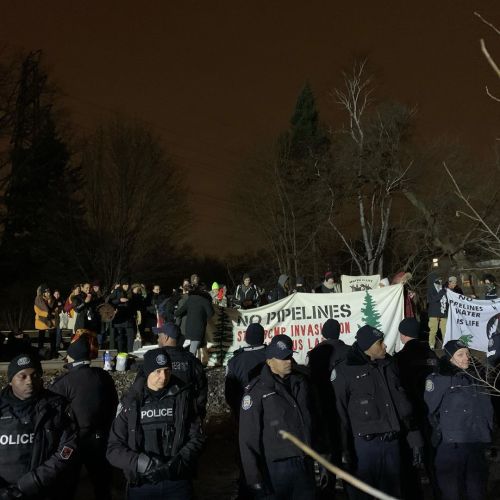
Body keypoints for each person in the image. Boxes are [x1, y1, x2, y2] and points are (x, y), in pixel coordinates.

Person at [332, 325, 423, 499]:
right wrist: (343, 451)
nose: (385, 346)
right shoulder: (344, 371)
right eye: (380, 342)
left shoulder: (390, 365)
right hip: (364, 449)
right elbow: (339, 415)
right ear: (367, 346)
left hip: (392, 444)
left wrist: (414, 438)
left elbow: (404, 405)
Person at [107, 348, 205, 499]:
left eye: (167, 370)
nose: (163, 376)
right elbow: (113, 449)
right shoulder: (130, 402)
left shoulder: (183, 397)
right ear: (147, 372)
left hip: (177, 482)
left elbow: (197, 438)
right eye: (157, 371)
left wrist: (174, 466)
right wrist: (142, 464)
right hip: (142, 483)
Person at [239, 334, 316, 499]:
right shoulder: (257, 391)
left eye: (289, 356)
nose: (288, 361)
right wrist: (254, 478)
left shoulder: (301, 383)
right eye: (283, 358)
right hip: (275, 469)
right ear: (269, 361)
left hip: (304, 463)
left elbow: (313, 420)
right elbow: (248, 439)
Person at [0, 353, 78, 499]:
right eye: (22, 376)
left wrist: (34, 481)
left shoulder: (57, 406)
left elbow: (68, 448)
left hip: (44, 490)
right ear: (10, 380)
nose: (29, 381)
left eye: (34, 375)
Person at [50, 336, 118, 500]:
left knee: (68, 485)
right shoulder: (102, 376)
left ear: (71, 357)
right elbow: (114, 403)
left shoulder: (64, 382)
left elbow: (52, 411)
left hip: (74, 440)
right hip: (99, 438)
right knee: (101, 484)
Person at [425, 340, 493, 500]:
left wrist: (487, 432)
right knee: (453, 492)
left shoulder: (476, 378)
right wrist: (444, 431)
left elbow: (486, 408)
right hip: (452, 446)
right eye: (460, 355)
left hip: (476, 443)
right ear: (449, 358)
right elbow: (430, 409)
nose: (466, 358)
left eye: (467, 354)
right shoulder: (440, 379)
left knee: (477, 491)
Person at [394, 318, 438, 500]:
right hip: (433, 413)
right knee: (433, 458)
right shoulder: (432, 356)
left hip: (411, 414)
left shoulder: (400, 358)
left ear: (403, 335)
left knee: (409, 462)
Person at [306, 319, 349, 499]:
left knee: (327, 451)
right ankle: (351, 488)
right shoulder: (348, 351)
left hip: (323, 407)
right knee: (347, 449)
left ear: (323, 333)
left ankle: (327, 488)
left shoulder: (315, 353)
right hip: (347, 407)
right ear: (339, 333)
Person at [131, 323, 208, 419]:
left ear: (166, 337)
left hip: (157, 415)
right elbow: (202, 390)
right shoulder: (192, 360)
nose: (157, 339)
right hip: (186, 416)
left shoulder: (153, 360)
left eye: (159, 336)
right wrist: (198, 415)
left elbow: (138, 388)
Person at [225, 323, 267, 415]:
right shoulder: (273, 356)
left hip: (243, 411)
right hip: (271, 411)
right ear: (263, 337)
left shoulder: (234, 361)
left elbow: (229, 394)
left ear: (245, 337)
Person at [175, 288, 214, 357]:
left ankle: (194, 363)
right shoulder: (205, 301)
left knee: (192, 348)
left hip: (188, 329)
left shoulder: (190, 299)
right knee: (192, 351)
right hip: (199, 329)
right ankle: (191, 365)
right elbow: (211, 314)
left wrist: (174, 313)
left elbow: (180, 311)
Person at [109, 279, 136, 352]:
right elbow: (108, 301)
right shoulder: (117, 291)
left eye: (127, 284)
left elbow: (134, 304)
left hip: (129, 318)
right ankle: (120, 353)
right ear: (121, 285)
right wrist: (119, 300)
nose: (126, 286)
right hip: (119, 318)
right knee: (120, 337)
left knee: (131, 336)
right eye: (124, 284)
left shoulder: (131, 292)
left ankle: (130, 353)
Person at [34, 283, 57, 358]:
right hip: (42, 321)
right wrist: (47, 314)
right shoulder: (38, 299)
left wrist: (53, 312)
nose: (48, 293)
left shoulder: (52, 299)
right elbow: (37, 310)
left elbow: (55, 309)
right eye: (46, 291)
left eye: (49, 291)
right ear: (43, 292)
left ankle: (53, 352)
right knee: (41, 338)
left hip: (51, 321)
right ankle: (40, 353)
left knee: (52, 337)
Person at [426, 272, 448, 349]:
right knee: (433, 329)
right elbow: (433, 299)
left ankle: (445, 344)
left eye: (440, 279)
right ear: (433, 280)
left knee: (444, 329)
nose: (440, 280)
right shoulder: (430, 289)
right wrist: (442, 292)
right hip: (433, 312)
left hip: (443, 312)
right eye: (438, 279)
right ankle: (431, 345)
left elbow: (446, 300)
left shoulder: (442, 288)